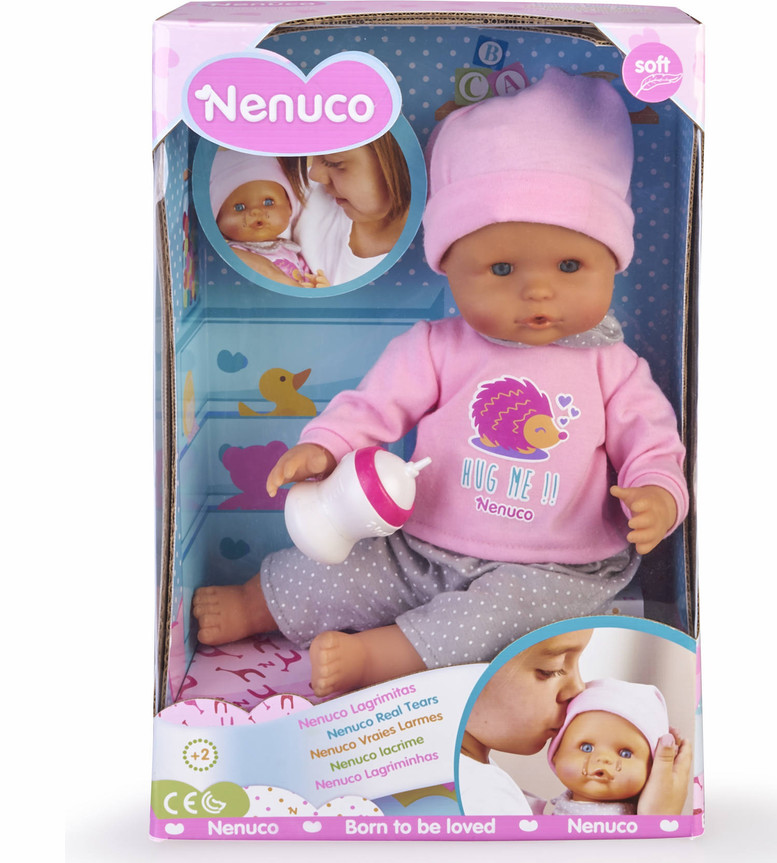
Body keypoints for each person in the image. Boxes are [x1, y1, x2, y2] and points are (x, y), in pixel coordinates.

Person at [193, 69, 689, 698]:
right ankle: (255, 603)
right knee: (342, 565)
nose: (538, 290)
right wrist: (327, 446)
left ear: (612, 262)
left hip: (557, 568)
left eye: (570, 265)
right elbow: (373, 406)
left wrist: (658, 496)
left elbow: (653, 445)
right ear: (448, 265)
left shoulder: (612, 366)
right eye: (501, 268)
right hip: (419, 544)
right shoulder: (437, 347)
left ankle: (381, 658)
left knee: (505, 622)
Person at [457, 632, 691, 816]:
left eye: (626, 753)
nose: (578, 688)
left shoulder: (478, 782)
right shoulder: (479, 794)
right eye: (551, 669)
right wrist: (658, 823)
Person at [281, 132, 411, 285]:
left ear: (399, 163)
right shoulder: (305, 192)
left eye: (334, 163)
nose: (314, 174)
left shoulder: (412, 271)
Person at [543, 678, 669, 815]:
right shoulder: (535, 814)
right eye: (586, 747)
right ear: (556, 753)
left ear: (651, 768)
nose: (603, 759)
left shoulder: (646, 817)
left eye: (625, 753)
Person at [210, 149, 329, 288]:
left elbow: (304, 279)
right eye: (239, 207)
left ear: (289, 207)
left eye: (268, 202)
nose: (256, 212)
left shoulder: (291, 250)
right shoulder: (232, 254)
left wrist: (316, 284)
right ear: (217, 220)